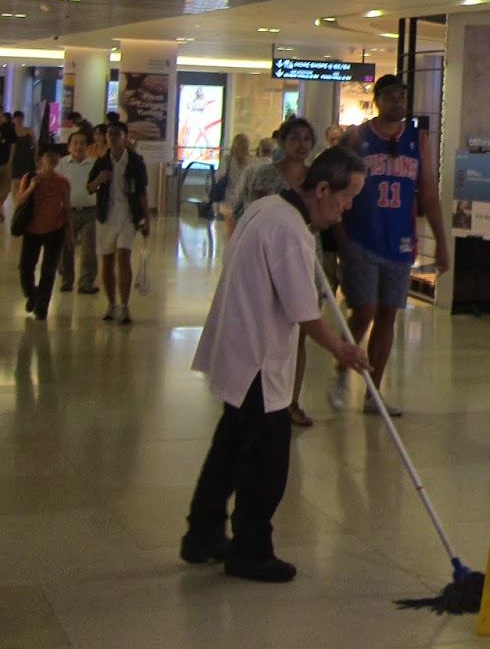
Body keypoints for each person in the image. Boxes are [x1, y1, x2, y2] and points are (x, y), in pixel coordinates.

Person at [181, 146, 370, 583]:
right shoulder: (289, 230)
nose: (348, 207)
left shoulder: (268, 209)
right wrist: (342, 351)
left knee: (230, 446)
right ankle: (250, 550)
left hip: (239, 347)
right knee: (268, 460)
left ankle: (202, 534)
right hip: (257, 360)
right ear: (322, 190)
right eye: (347, 196)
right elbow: (305, 313)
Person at [333, 74, 449, 416]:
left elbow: (429, 193)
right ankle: (342, 368)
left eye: (401, 96)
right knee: (364, 311)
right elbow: (336, 183)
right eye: (390, 96)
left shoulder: (417, 139)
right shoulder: (358, 137)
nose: (397, 102)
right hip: (361, 237)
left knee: (388, 314)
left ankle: (373, 392)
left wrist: (442, 242)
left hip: (399, 242)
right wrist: (339, 237)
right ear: (377, 100)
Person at [233, 118, 318, 426]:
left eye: (306, 138)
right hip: (268, 260)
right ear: (282, 141)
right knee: (267, 329)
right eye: (295, 138)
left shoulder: (315, 178)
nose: (301, 144)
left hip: (305, 256)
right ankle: (257, 394)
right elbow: (256, 215)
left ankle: (291, 400)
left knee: (300, 331)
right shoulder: (264, 174)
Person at [87, 120, 150, 324]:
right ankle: (111, 303)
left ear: (124, 137)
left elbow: (141, 192)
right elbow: (90, 187)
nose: (112, 138)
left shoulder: (135, 162)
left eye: (117, 134)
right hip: (106, 216)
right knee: (107, 261)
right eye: (109, 134)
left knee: (124, 257)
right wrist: (99, 180)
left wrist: (146, 219)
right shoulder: (102, 161)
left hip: (128, 216)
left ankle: (124, 306)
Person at [16, 144, 72, 321]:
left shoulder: (63, 182)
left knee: (49, 270)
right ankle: (32, 294)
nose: (53, 158)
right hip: (32, 230)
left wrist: (70, 234)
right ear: (41, 159)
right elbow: (19, 201)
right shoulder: (30, 177)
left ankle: (42, 308)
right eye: (49, 155)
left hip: (55, 230)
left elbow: (67, 209)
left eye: (56, 155)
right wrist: (32, 187)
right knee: (25, 268)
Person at [56, 131, 100, 294]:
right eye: (75, 143)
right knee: (66, 247)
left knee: (89, 248)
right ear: (69, 146)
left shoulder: (94, 164)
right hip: (67, 212)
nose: (79, 146)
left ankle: (86, 282)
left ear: (87, 146)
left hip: (90, 212)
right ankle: (66, 280)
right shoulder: (62, 164)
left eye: (82, 143)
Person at [219, 133, 253, 237]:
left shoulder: (227, 159)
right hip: (245, 201)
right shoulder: (252, 161)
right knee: (244, 232)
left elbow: (219, 175)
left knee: (231, 231)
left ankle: (231, 246)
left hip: (228, 199)